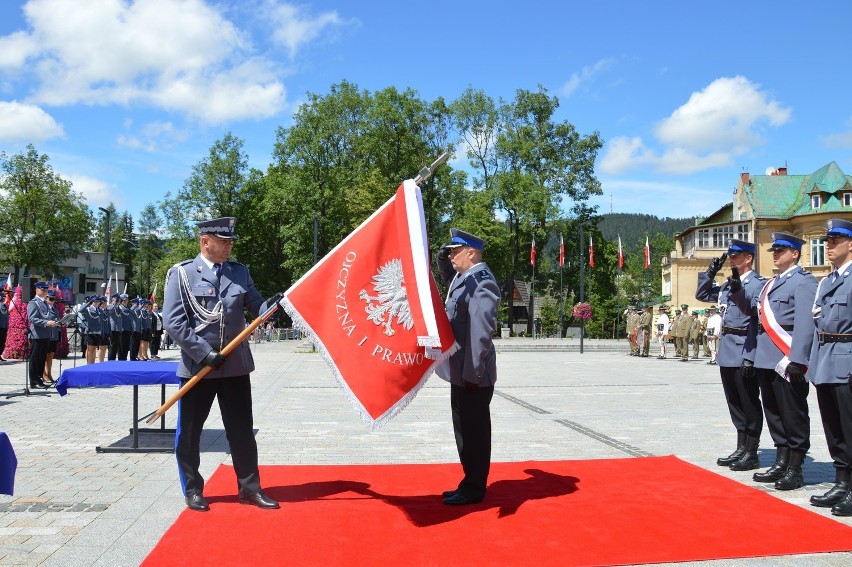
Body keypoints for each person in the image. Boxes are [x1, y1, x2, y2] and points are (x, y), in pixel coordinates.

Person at [163, 217, 280, 512]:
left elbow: (255, 305)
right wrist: (203, 353)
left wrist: (273, 306)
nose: (229, 246)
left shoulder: (239, 272)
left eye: (230, 241)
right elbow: (174, 322)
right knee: (190, 433)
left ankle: (250, 489)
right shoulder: (182, 274)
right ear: (205, 241)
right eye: (224, 241)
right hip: (198, 368)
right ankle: (193, 490)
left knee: (241, 430)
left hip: (235, 366)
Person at [747, 232, 816, 491]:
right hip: (766, 358)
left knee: (792, 413)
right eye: (774, 251)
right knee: (774, 413)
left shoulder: (804, 282)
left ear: (795, 253)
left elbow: (805, 324)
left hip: (787, 359)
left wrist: (797, 358)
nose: (775, 254)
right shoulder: (770, 283)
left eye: (781, 250)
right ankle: (781, 459)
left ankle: (796, 467)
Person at [436, 228, 500, 506]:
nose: (450, 255)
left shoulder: (482, 283)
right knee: (463, 431)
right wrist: (441, 259)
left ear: (470, 253)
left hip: (473, 374)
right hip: (461, 371)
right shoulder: (466, 278)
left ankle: (474, 488)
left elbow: (481, 332)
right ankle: (468, 482)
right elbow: (451, 281)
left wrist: (472, 372)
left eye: (454, 251)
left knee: (474, 434)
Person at [696, 239, 766, 471]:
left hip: (746, 346)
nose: (731, 260)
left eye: (735, 256)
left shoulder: (758, 285)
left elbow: (757, 320)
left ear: (748, 258)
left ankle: (752, 451)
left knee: (748, 400)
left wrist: (752, 354)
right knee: (734, 401)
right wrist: (710, 272)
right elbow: (703, 295)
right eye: (730, 256)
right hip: (727, 349)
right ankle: (741, 446)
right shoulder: (727, 285)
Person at [807, 219, 852, 516]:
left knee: (850, 427)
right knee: (833, 427)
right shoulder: (827, 280)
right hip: (825, 359)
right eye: (827, 241)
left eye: (835, 240)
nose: (828, 245)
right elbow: (816, 322)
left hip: (847, 359)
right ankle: (842, 481)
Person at [27, 282, 58, 389]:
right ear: (37, 290)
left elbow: (47, 316)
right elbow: (32, 318)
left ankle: (39, 378)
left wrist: (53, 322)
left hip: (46, 334)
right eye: (43, 290)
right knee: (35, 358)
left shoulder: (44, 303)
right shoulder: (33, 303)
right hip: (37, 334)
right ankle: (33, 381)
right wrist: (46, 323)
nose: (45, 291)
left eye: (46, 290)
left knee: (41, 358)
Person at [0, 291, 10, 361]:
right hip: (0, 326)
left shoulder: (5, 306)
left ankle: (0, 354)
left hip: (4, 326)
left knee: (2, 341)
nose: (4, 299)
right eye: (3, 298)